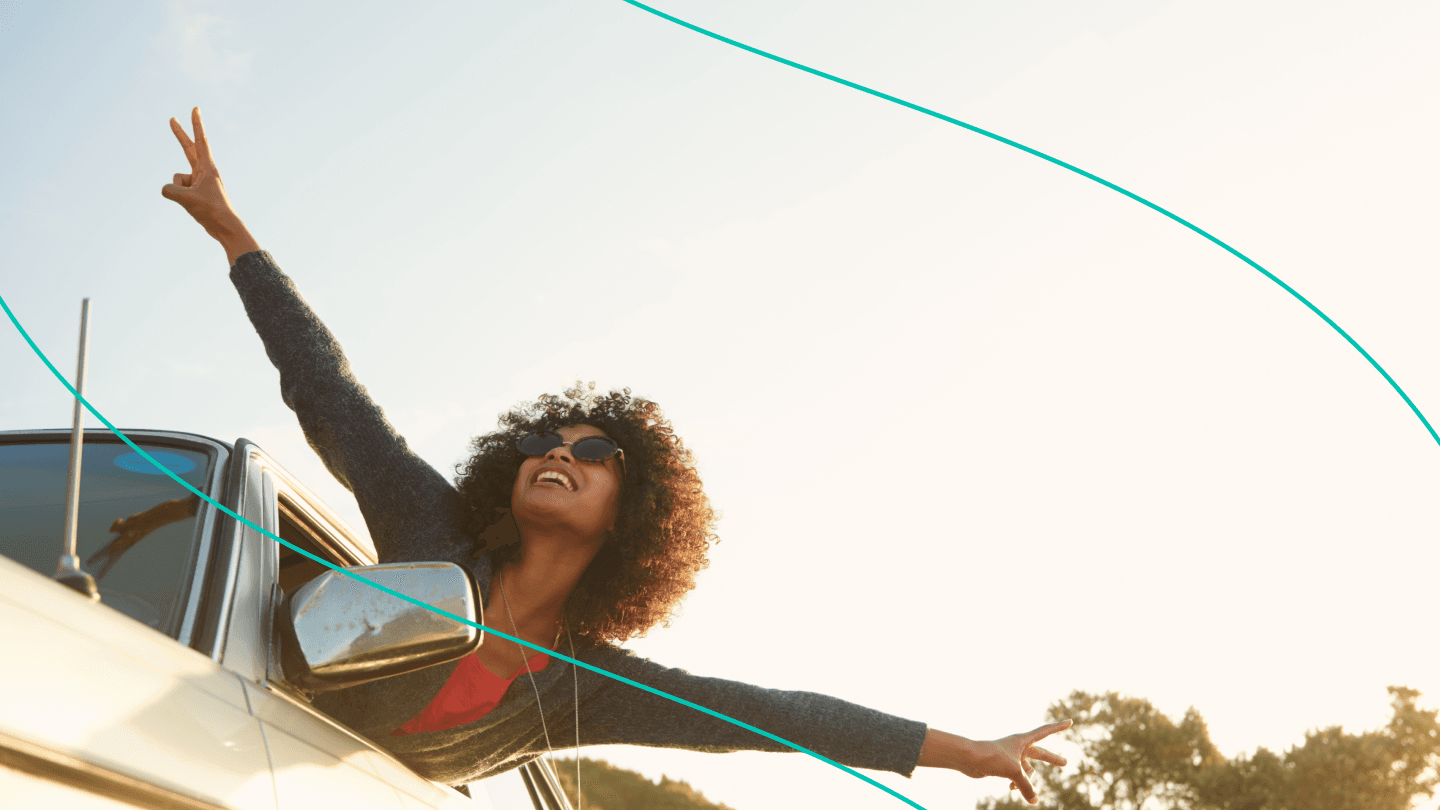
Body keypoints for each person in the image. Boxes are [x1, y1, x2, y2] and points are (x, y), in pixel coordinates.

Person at [160, 106, 1070, 805]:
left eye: (592, 453)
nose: (556, 454)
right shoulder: (428, 529)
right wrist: (235, 235)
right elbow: (330, 394)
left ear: (632, 516)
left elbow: (772, 717)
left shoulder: (590, 688)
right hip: (208, 747)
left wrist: (970, 753)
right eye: (539, 443)